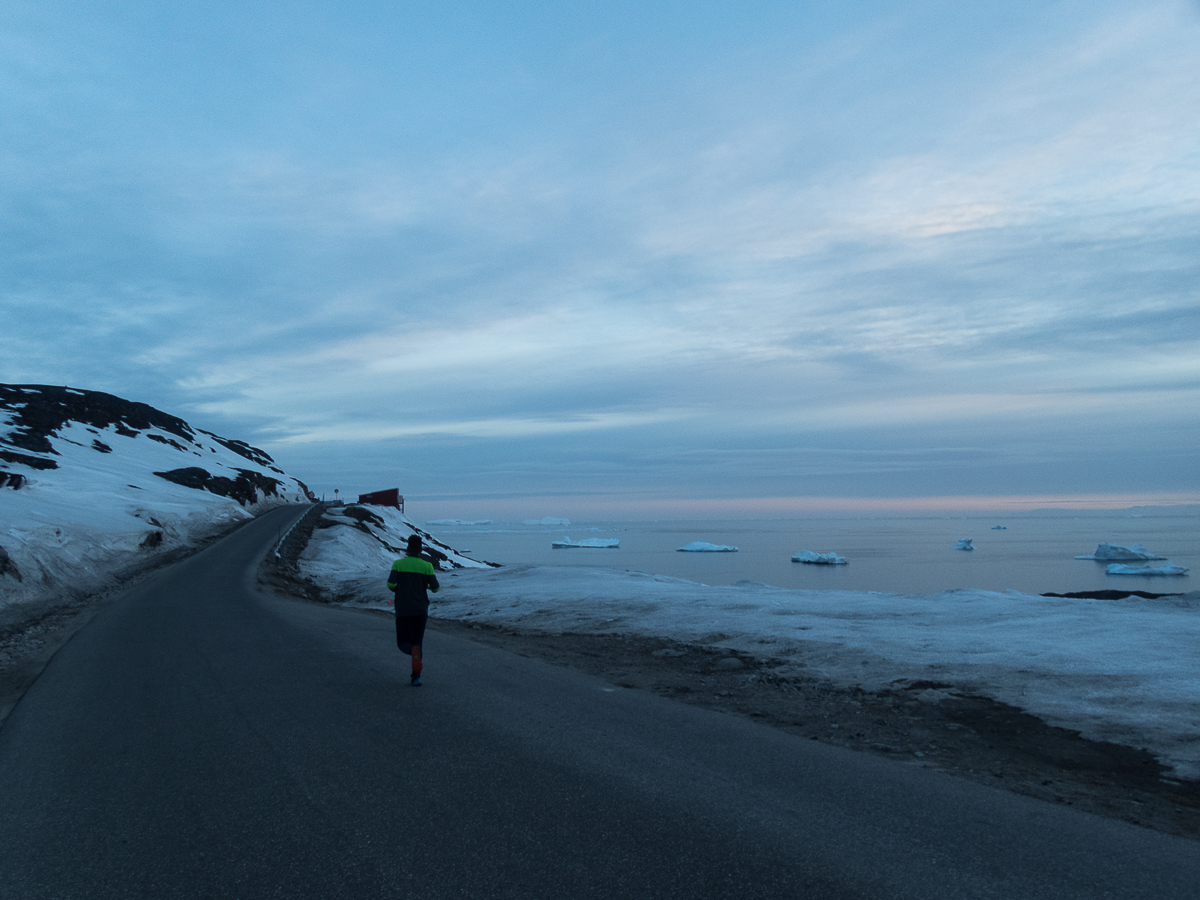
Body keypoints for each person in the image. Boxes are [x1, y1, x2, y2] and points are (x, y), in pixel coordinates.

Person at [386, 534, 440, 686]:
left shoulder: (398, 564)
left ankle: (412, 652)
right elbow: (436, 588)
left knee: (403, 642)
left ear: (407, 548)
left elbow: (390, 584)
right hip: (421, 609)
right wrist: (424, 585)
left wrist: (400, 589)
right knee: (418, 641)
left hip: (403, 608)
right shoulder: (427, 566)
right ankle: (416, 677)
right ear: (420, 549)